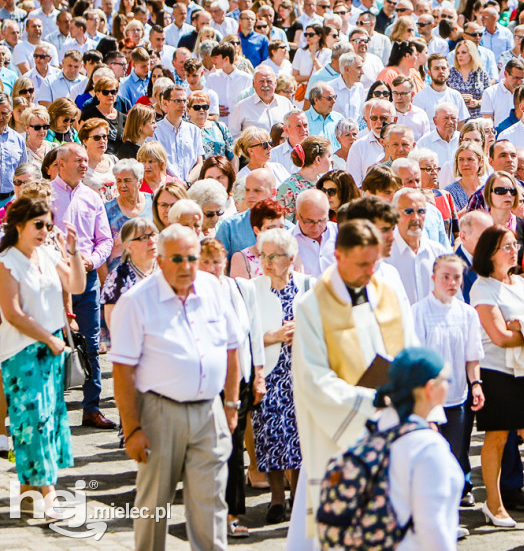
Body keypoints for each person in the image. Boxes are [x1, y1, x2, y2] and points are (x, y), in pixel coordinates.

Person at [110, 224, 241, 551]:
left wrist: (232, 405)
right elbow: (122, 371)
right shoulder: (136, 301)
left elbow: (232, 346)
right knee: (153, 505)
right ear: (161, 258)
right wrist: (132, 428)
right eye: (177, 259)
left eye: (192, 258)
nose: (186, 267)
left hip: (209, 410)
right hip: (158, 411)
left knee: (211, 504)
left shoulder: (212, 288)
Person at [288, 219, 418, 547]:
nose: (369, 271)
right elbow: (312, 381)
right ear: (338, 256)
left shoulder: (386, 294)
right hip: (338, 434)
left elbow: (409, 348)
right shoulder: (312, 306)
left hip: (388, 428)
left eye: (374, 263)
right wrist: (371, 402)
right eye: (361, 264)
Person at [319, 346, 465, 550]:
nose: (450, 384)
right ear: (430, 388)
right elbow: (432, 526)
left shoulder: (375, 429)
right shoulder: (428, 446)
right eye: (446, 380)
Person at [0, 197, 85, 520]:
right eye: (38, 225)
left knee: (47, 420)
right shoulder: (7, 261)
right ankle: (48, 498)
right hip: (21, 353)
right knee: (30, 423)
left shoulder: (49, 253)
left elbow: (76, 284)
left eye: (48, 225)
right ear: (18, 225)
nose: (44, 231)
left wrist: (73, 252)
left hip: (51, 352)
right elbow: (13, 313)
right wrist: (50, 339)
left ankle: (27, 492)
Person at [470, 224, 524, 527]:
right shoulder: (481, 287)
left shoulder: (522, 284)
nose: (515, 250)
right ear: (490, 253)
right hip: (496, 372)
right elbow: (498, 335)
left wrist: (519, 328)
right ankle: (494, 504)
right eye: (506, 246)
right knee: (497, 437)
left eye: (515, 244)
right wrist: (522, 331)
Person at [250, 227, 314, 525]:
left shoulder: (307, 286)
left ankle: (298, 496)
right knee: (271, 435)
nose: (266, 262)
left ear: (290, 258)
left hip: (301, 373)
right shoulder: (253, 289)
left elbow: (321, 328)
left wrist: (303, 333)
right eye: (263, 255)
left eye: (273, 256)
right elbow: (246, 336)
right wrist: (273, 336)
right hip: (270, 373)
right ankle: (276, 498)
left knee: (300, 436)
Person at [411, 254, 485, 507]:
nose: (452, 282)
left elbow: (472, 356)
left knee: (455, 455)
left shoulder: (467, 314)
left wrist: (476, 384)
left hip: (457, 398)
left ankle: (452, 515)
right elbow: (417, 360)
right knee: (431, 460)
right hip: (428, 402)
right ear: (433, 278)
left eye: (457, 277)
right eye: (445, 277)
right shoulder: (418, 312)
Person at [52, 143, 114, 429]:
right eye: (78, 160)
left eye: (86, 161)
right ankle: (53, 410)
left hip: (86, 279)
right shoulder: (45, 196)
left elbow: (105, 240)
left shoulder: (92, 197)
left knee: (90, 343)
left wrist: (92, 261)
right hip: (52, 280)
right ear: (60, 163)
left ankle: (91, 407)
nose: (84, 165)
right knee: (53, 342)